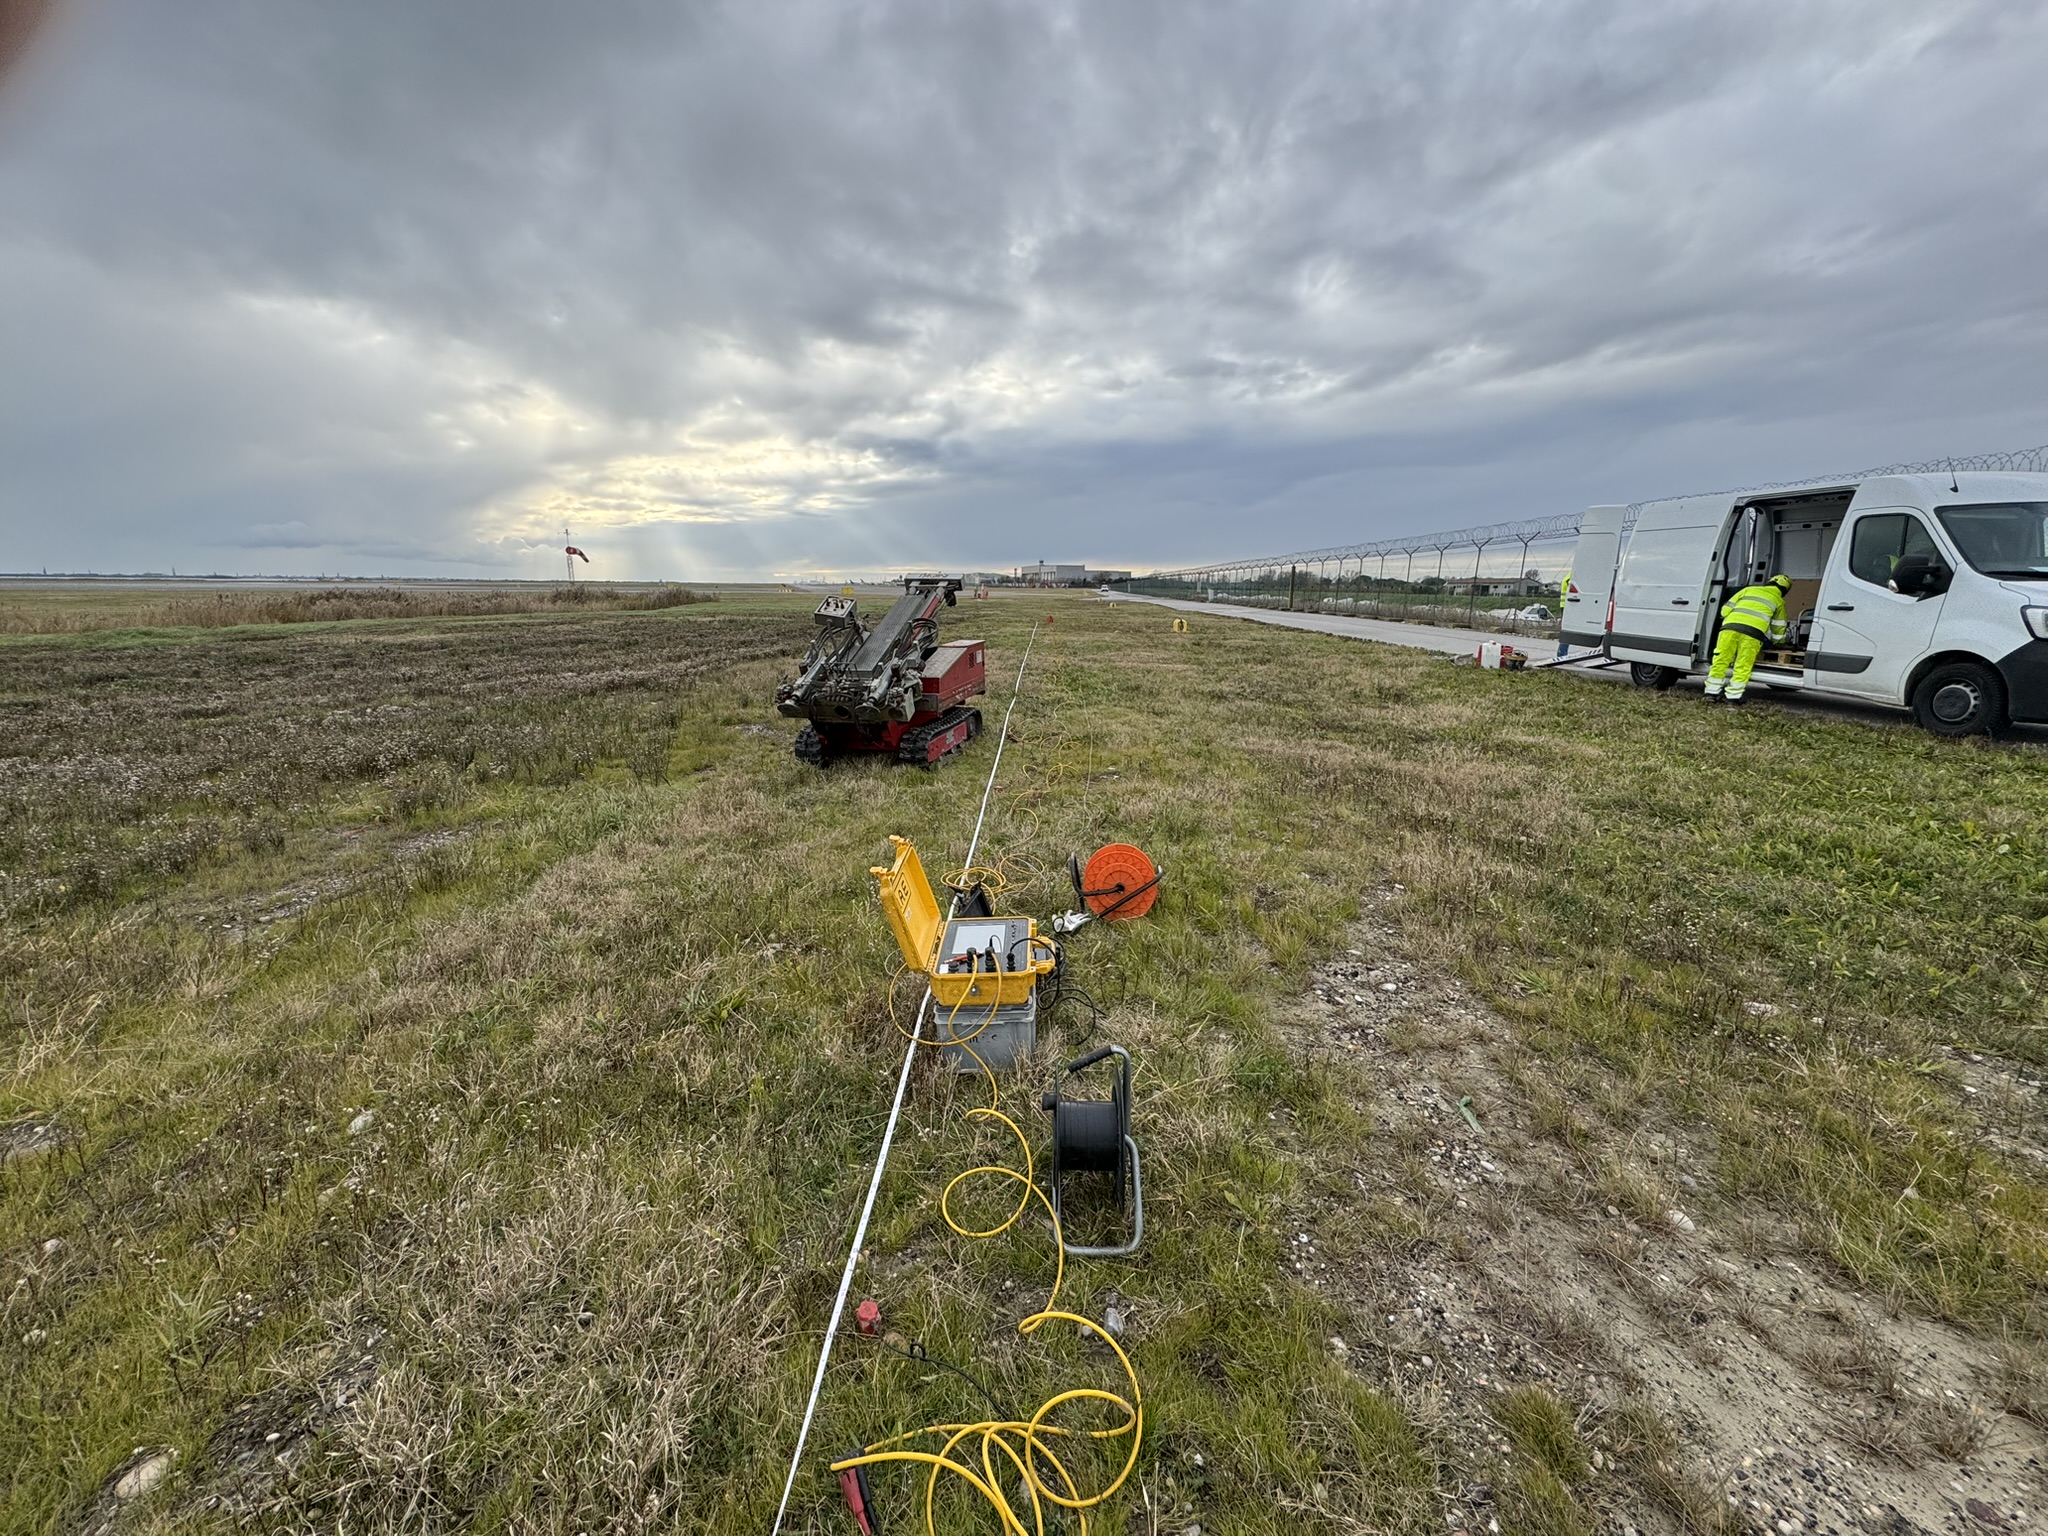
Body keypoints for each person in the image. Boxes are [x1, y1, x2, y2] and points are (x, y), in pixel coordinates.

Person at [1703, 573, 1792, 704]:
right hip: (1753, 634)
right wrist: (1780, 643)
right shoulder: (1778, 601)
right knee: (1743, 664)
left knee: (1721, 660)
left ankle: (1711, 693)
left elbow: (1724, 610)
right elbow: (1778, 627)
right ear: (1785, 590)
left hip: (1729, 629)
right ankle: (1733, 697)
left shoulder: (1748, 589)